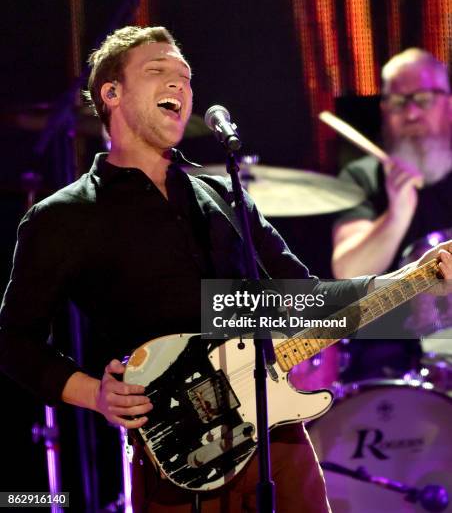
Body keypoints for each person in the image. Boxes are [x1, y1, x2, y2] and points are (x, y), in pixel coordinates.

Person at [1, 29, 451, 512]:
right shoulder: (64, 216)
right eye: (158, 72)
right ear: (112, 93)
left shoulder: (223, 196)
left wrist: (416, 276)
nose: (179, 85)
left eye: (186, 78)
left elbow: (306, 297)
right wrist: (97, 395)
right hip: (178, 454)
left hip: (275, 434)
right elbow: (14, 341)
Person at [331, 48, 452, 378]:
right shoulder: (363, 176)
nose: (410, 112)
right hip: (389, 371)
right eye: (398, 101)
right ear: (384, 110)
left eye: (423, 98)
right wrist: (397, 214)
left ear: (449, 103)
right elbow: (348, 272)